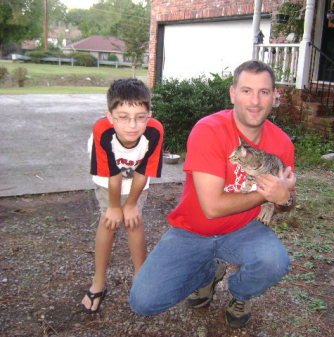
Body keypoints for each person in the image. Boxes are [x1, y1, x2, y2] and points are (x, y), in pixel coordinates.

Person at [129, 60, 296, 328]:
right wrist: (267, 195)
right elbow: (212, 207)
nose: (255, 101)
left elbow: (286, 201)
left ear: (275, 96)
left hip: (242, 229)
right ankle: (208, 272)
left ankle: (241, 294)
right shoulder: (209, 130)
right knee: (144, 302)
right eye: (246, 91)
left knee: (274, 261)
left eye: (264, 92)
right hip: (193, 230)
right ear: (232, 93)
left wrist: (284, 198)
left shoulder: (282, 144)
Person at [81, 78, 164, 313]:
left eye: (140, 117)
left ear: (149, 114)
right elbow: (113, 175)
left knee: (134, 221)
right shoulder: (102, 130)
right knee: (108, 222)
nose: (132, 125)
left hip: (137, 182)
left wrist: (131, 204)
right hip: (108, 181)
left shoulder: (155, 130)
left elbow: (143, 172)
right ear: (110, 116)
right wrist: (116, 206)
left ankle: (141, 278)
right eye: (123, 117)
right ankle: (99, 281)